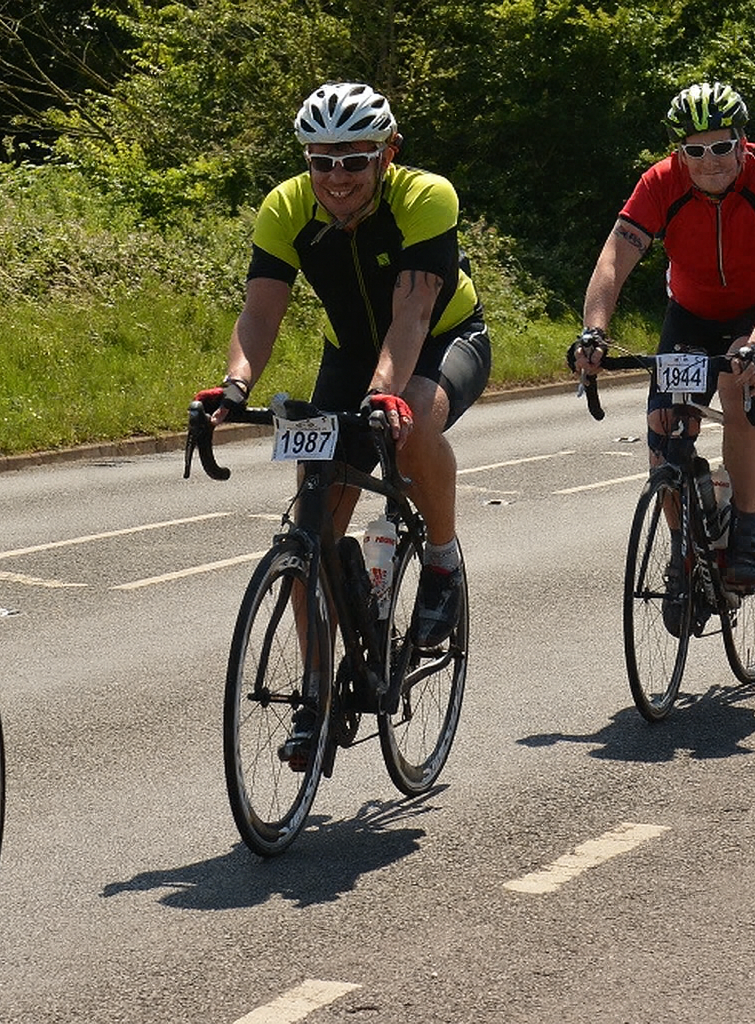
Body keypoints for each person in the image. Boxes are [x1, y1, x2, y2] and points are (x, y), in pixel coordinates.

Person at [194, 81, 491, 752]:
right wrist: (233, 388)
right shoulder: (287, 207)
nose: (336, 176)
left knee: (411, 417)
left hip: (444, 339)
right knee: (313, 520)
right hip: (348, 352)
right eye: (320, 159)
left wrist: (384, 395)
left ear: (389, 154)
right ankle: (320, 693)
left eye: (354, 159)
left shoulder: (425, 196)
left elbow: (413, 311)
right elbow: (261, 312)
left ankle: (441, 562)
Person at [573, 81, 755, 617]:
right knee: (663, 423)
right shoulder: (661, 182)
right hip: (693, 309)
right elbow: (615, 257)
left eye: (721, 146)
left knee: (738, 376)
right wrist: (594, 330)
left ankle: (750, 526)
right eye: (695, 149)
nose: (709, 161)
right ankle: (684, 552)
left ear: (742, 141)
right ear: (679, 151)